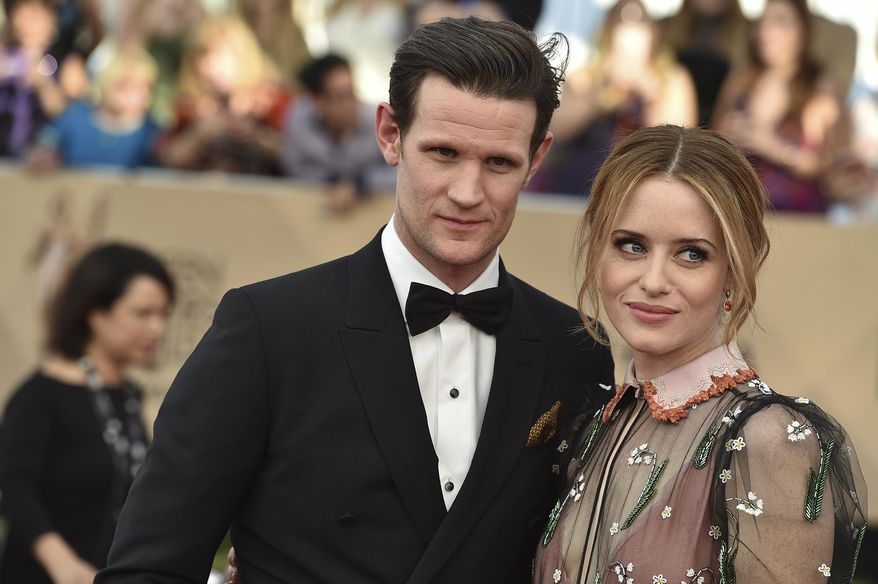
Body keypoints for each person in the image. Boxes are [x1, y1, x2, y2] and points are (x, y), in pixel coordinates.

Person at [97, 17, 614, 584]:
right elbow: (148, 568)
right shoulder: (270, 331)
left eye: (498, 162)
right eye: (443, 153)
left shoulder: (575, 350)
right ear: (390, 134)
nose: (468, 193)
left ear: (536, 158)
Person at [532, 124, 868, 583]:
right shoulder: (591, 422)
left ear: (734, 271)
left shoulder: (767, 440)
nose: (653, 281)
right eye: (631, 245)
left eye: (691, 254)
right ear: (598, 252)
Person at [0, 243, 174, 584]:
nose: (158, 328)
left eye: (163, 315)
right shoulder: (42, 394)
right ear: (95, 313)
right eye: (143, 313)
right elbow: (15, 486)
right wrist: (63, 563)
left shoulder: (128, 394)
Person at [528, 0, 696, 196]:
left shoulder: (671, 79)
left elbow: (679, 143)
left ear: (653, 32)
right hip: (579, 185)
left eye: (640, 26)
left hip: (642, 186)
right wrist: (600, 92)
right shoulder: (586, 76)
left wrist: (648, 92)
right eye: (622, 25)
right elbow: (557, 128)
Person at [713, 0, 842, 214]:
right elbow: (712, 145)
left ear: (802, 30)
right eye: (762, 22)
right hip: (744, 210)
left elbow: (825, 166)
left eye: (780, 22)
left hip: (799, 217)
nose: (766, 31)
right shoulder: (740, 81)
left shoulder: (818, 87)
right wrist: (725, 137)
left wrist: (773, 147)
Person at [157, 14, 290, 175]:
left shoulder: (271, 102)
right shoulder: (190, 106)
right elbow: (169, 158)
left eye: (220, 56)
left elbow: (296, 156)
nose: (210, 67)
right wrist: (200, 134)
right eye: (203, 58)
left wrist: (254, 135)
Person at [280, 53, 396, 214]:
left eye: (352, 93)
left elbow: (402, 172)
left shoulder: (380, 122)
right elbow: (295, 170)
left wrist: (359, 183)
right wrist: (332, 182)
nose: (351, 104)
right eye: (341, 97)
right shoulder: (299, 121)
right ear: (318, 101)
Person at [27, 47, 161, 171]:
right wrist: (40, 156)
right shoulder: (75, 119)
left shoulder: (152, 135)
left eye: (138, 86)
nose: (128, 90)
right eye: (122, 83)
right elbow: (43, 144)